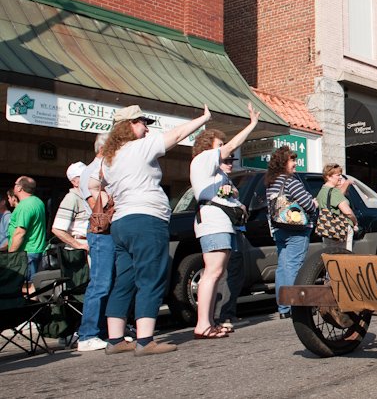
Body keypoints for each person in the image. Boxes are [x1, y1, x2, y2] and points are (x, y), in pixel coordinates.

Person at [102, 104, 211, 356]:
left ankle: (115, 339)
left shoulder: (110, 158)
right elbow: (176, 136)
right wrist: (203, 118)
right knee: (150, 278)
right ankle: (145, 341)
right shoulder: (139, 148)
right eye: (142, 122)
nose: (146, 127)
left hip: (121, 222)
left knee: (124, 280)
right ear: (128, 126)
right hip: (146, 220)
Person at [190, 103, 259, 339]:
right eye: (219, 145)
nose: (225, 151)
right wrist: (251, 125)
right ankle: (203, 324)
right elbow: (232, 145)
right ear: (208, 147)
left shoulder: (217, 173)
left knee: (217, 272)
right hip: (213, 222)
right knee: (213, 272)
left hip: (221, 222)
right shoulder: (203, 160)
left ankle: (208, 322)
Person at [265, 146, 317, 320]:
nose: (295, 164)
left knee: (283, 267)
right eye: (292, 160)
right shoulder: (290, 181)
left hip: (279, 228)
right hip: (297, 229)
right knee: (294, 265)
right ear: (283, 163)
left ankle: (284, 307)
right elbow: (307, 204)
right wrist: (314, 204)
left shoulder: (272, 183)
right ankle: (296, 306)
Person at [76, 134, 116, 352]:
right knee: (100, 283)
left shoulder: (94, 169)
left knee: (106, 282)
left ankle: (100, 331)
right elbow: (95, 203)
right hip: (101, 232)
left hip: (103, 232)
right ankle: (88, 333)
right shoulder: (94, 171)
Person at [8, 176, 47, 293]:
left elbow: (20, 233)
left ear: (19, 188)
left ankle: (29, 311)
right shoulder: (38, 202)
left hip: (26, 253)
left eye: (15, 184)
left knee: (25, 288)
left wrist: (10, 256)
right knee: (31, 286)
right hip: (35, 250)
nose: (14, 186)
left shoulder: (25, 206)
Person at [316, 163, 358, 251]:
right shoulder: (334, 192)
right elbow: (348, 212)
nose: (340, 177)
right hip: (340, 229)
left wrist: (345, 184)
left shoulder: (322, 191)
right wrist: (355, 221)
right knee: (344, 258)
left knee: (330, 258)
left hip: (327, 228)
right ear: (328, 176)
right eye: (338, 175)